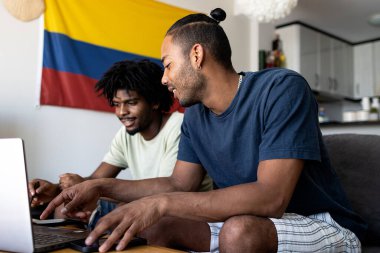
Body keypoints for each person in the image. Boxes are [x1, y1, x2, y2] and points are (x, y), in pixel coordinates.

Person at [41, 8, 367, 253]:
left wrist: (162, 204)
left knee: (238, 232)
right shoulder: (195, 114)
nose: (163, 78)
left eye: (167, 64)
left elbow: (271, 198)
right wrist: (99, 187)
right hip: (243, 220)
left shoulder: (282, 88)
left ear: (196, 55)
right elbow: (177, 183)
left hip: (322, 223)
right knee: (159, 225)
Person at [30, 59, 212, 222]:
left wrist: (93, 193)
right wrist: (55, 190)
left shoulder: (179, 127)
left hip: (180, 215)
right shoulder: (126, 135)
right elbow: (95, 179)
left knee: (102, 209)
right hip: (150, 208)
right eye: (116, 104)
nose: (121, 112)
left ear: (155, 102)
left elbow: (170, 192)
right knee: (63, 208)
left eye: (131, 103)